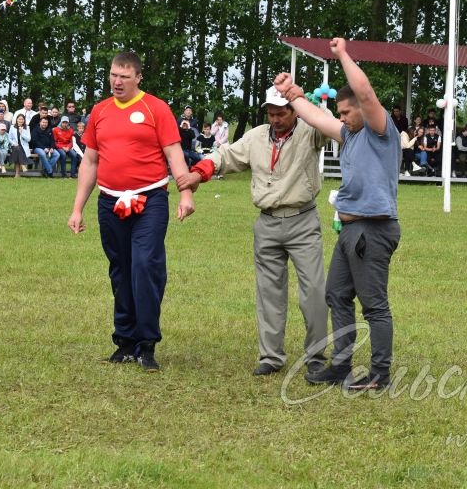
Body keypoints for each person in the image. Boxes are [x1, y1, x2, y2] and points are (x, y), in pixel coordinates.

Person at [275, 36, 400, 392]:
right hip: (350, 232)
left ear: (361, 109)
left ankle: (379, 375)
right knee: (337, 295)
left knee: (374, 306)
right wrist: (292, 95)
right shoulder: (350, 134)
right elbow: (316, 116)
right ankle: (341, 366)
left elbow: (365, 92)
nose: (342, 119)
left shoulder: (379, 131)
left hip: (373, 230)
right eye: (340, 115)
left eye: (346, 112)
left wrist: (343, 55)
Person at [177, 86, 329, 376]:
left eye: (281, 113)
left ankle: (316, 355)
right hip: (267, 223)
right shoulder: (256, 136)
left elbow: (331, 124)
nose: (275, 119)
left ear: (295, 110)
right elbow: (226, 156)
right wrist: (199, 173)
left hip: (303, 221)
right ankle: (271, 357)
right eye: (271, 113)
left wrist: (301, 97)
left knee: (314, 292)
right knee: (268, 292)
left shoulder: (311, 130)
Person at [67, 51, 195, 372]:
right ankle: (125, 342)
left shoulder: (156, 109)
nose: (117, 81)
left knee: (145, 266)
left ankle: (147, 344)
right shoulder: (100, 112)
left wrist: (186, 192)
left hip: (149, 200)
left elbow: (174, 153)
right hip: (110, 202)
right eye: (113, 75)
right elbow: (90, 162)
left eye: (124, 76)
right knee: (120, 268)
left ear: (138, 78)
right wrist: (77, 208)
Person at [8, 114, 32, 178]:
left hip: (23, 147)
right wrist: (13, 143)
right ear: (17, 120)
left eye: (22, 119)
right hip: (14, 145)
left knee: (18, 151)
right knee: (17, 148)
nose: (21, 120)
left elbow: (29, 139)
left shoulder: (27, 127)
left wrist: (22, 133)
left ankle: (17, 174)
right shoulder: (12, 127)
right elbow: (9, 138)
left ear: (24, 120)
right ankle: (23, 165)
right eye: (19, 119)